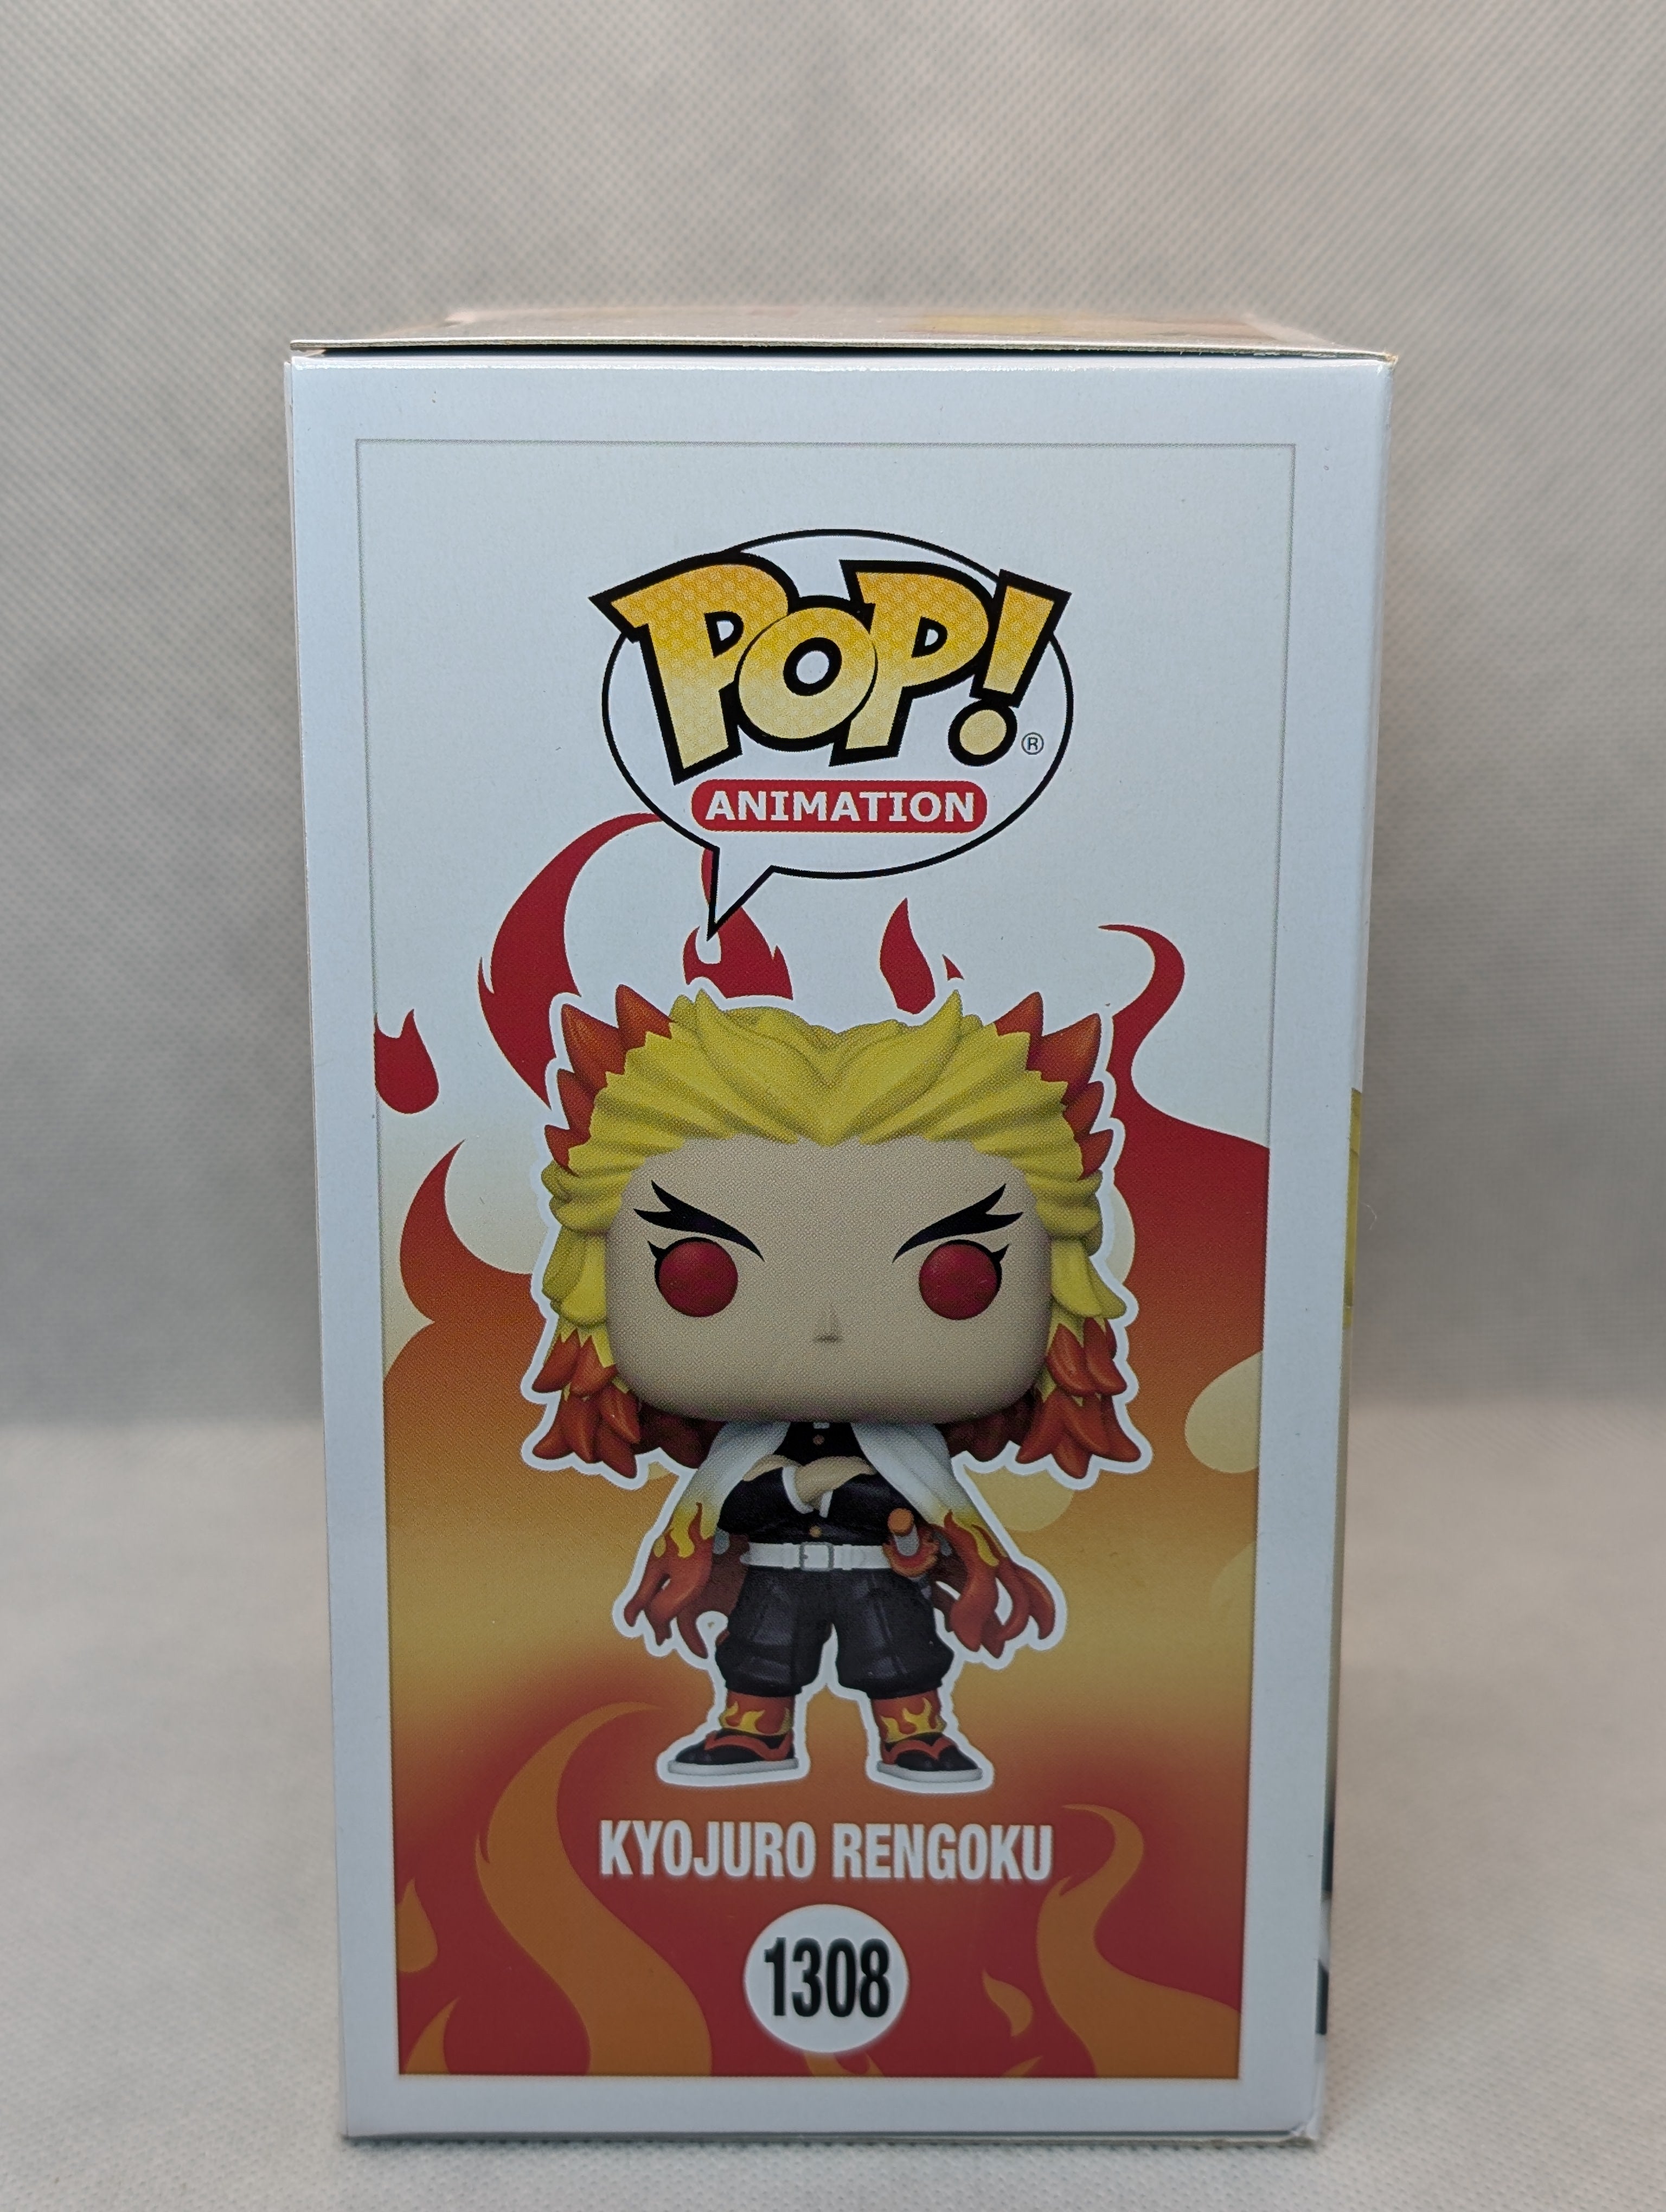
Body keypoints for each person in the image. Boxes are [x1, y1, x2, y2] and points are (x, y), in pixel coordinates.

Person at [524, 986, 1143, 1791]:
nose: (825, 1328)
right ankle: (754, 1730)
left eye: (955, 1277)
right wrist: (796, 1486)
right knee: (760, 1650)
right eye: (699, 1275)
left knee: (898, 1652)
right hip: (777, 1570)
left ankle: (916, 1734)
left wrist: (844, 1491)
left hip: (878, 1570)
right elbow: (731, 1509)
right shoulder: (736, 1456)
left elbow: (916, 1504)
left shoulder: (911, 1458)